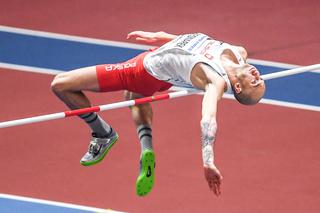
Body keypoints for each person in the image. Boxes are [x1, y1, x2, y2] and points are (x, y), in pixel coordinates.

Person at [50, 31, 265, 197]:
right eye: (260, 80)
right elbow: (197, 45)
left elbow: (208, 119)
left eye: (254, 83)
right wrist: (162, 36)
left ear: (236, 87)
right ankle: (147, 148)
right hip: (164, 72)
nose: (258, 77)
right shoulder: (239, 53)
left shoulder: (216, 81)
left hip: (141, 70)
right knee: (133, 96)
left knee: (60, 84)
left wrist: (208, 161)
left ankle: (102, 133)